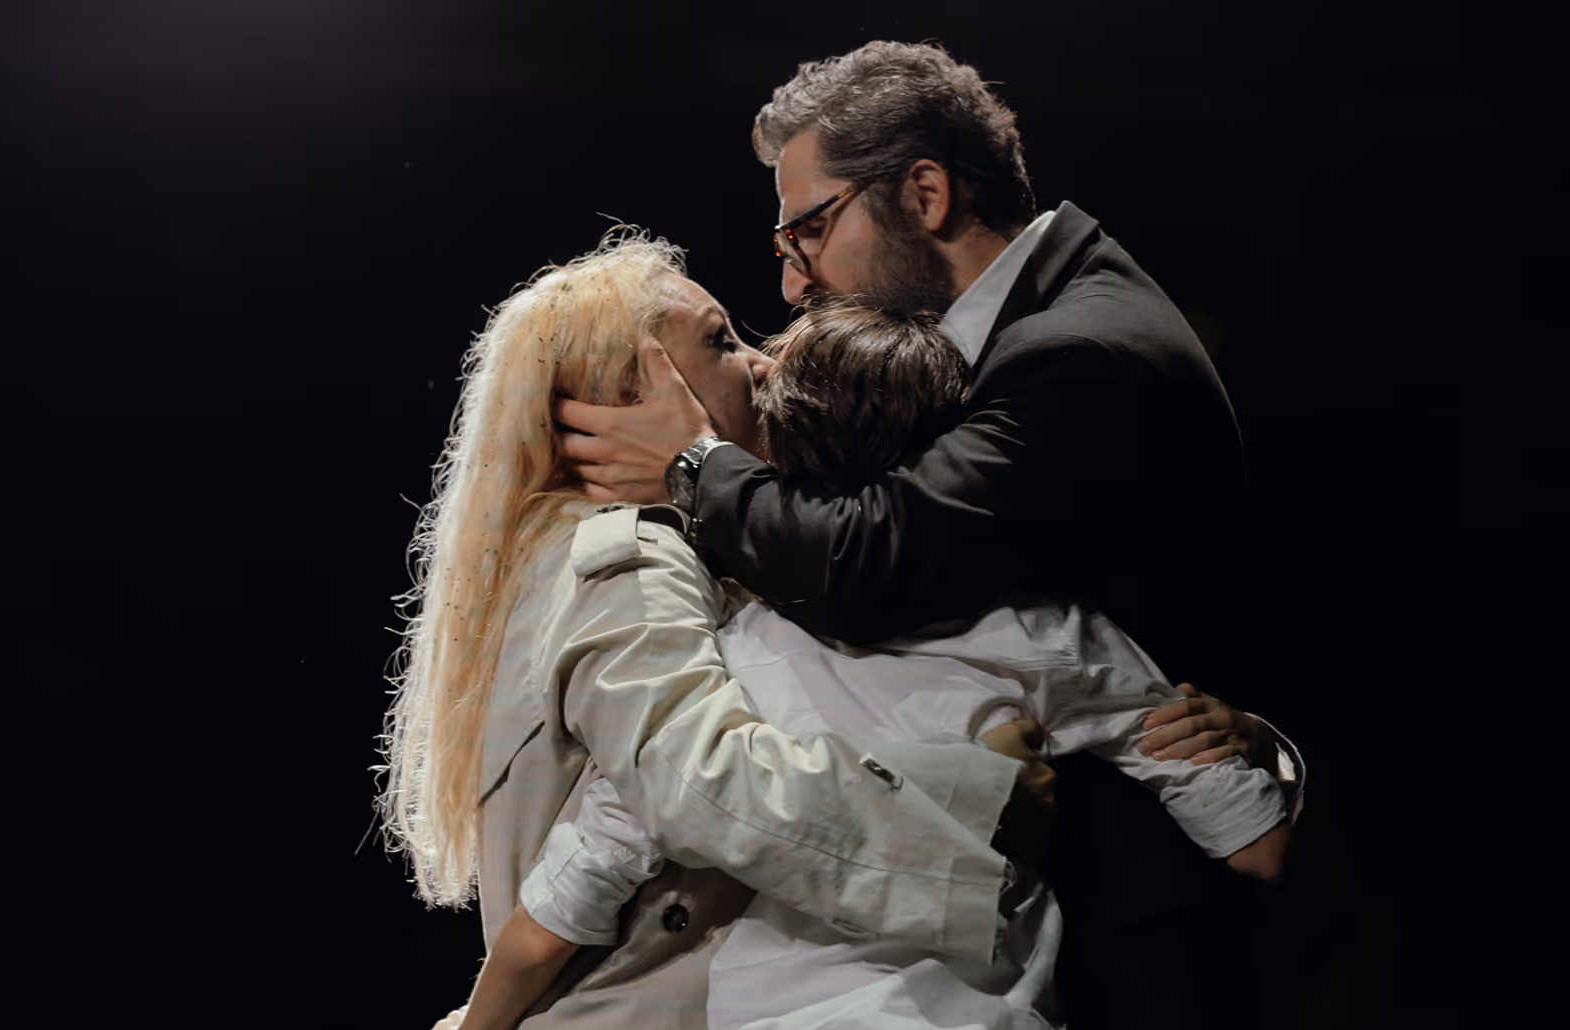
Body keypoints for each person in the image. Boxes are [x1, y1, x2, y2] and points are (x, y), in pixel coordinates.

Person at [555, 42, 1304, 1028]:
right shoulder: (1021, 327)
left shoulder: (1077, 351)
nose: (793, 286)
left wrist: (692, 465)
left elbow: (876, 559)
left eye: (809, 229)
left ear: (924, 192)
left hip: (1138, 943)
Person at [381, 231, 1241, 1030]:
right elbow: (703, 790)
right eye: (720, 343)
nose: (761, 362)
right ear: (630, 391)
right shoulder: (633, 558)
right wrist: (982, 796)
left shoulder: (633, 554)